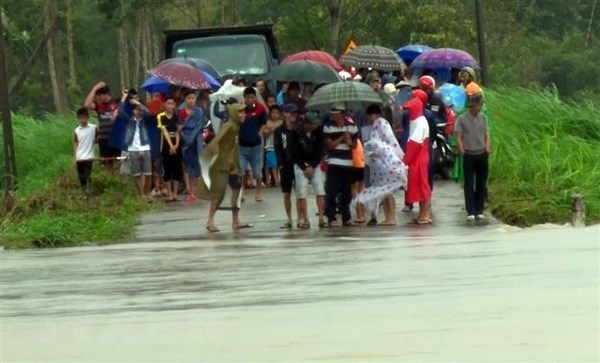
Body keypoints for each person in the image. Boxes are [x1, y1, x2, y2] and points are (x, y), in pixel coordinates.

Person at [198, 104, 251, 232]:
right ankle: (210, 220)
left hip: (233, 165)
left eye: (244, 112)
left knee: (236, 191)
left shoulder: (236, 127)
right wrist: (212, 158)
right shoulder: (228, 127)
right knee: (218, 194)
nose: (243, 115)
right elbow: (216, 142)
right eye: (240, 112)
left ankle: (236, 221)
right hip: (222, 165)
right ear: (233, 113)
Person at [350, 139, 407, 225]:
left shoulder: (385, 150)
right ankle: (388, 218)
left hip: (387, 173)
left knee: (388, 194)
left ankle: (391, 218)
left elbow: (392, 161)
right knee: (383, 194)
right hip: (380, 174)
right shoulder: (375, 152)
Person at [365, 103, 404, 225]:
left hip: (386, 161)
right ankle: (388, 217)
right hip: (380, 162)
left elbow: (389, 142)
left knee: (388, 191)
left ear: (372, 115)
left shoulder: (381, 124)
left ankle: (391, 217)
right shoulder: (378, 125)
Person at [455, 94, 491, 221]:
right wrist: (462, 151)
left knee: (481, 183)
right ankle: (471, 210)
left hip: (482, 153)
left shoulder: (483, 118)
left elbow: (487, 134)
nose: (481, 106)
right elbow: (458, 137)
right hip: (469, 154)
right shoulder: (462, 119)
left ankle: (479, 209)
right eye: (479, 104)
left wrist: (487, 147)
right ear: (473, 105)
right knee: (469, 183)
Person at [323, 103, 359, 227]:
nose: (336, 117)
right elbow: (329, 145)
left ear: (343, 114)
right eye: (334, 115)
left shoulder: (352, 126)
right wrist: (342, 138)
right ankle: (331, 216)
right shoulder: (328, 127)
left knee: (346, 191)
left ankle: (347, 217)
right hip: (333, 162)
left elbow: (354, 145)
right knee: (332, 190)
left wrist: (349, 141)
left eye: (338, 115)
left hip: (347, 163)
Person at [290, 111, 326, 229]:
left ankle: (321, 218)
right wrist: (304, 167)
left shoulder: (319, 132)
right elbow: (294, 152)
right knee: (301, 193)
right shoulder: (296, 133)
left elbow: (320, 150)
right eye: (313, 124)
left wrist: (312, 165)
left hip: (314, 163)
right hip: (301, 164)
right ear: (307, 124)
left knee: (320, 190)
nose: (316, 126)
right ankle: (305, 218)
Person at [403, 96, 432, 224]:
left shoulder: (420, 122)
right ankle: (422, 214)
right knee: (419, 186)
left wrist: (406, 161)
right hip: (417, 157)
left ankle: (425, 215)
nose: (409, 112)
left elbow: (415, 143)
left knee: (422, 187)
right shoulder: (417, 121)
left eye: (410, 109)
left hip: (419, 158)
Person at [118, 92, 154, 197]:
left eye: (139, 109)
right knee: (137, 174)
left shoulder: (145, 119)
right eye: (135, 109)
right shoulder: (129, 120)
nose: (138, 111)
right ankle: (141, 194)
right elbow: (120, 111)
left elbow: (148, 112)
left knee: (148, 174)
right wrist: (124, 98)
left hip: (145, 147)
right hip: (133, 149)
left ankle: (147, 194)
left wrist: (138, 103)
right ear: (133, 111)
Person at [239, 86, 268, 202]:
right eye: (248, 97)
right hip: (242, 146)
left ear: (255, 97)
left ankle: (258, 192)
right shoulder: (240, 109)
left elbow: (264, 123)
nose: (250, 100)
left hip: (256, 146)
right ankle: (241, 192)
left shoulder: (260, 109)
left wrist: (259, 133)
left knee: (257, 172)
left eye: (252, 97)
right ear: (244, 98)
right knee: (241, 171)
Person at [274, 103, 299, 229]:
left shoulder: (299, 128)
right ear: (285, 114)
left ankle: (300, 217)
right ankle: (289, 218)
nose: (293, 115)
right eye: (290, 113)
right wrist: (280, 164)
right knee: (286, 193)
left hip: (298, 163)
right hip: (286, 164)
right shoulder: (279, 130)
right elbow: (277, 147)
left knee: (300, 192)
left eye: (294, 113)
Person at [83, 81, 119, 169]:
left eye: (100, 95)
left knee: (117, 163)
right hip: (103, 138)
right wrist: (94, 89)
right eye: (97, 95)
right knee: (106, 164)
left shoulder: (117, 102)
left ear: (106, 94)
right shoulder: (99, 105)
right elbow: (87, 105)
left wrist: (118, 110)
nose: (98, 98)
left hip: (116, 138)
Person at [179, 89, 206, 202]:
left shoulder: (199, 111)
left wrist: (187, 130)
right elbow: (179, 127)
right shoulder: (181, 112)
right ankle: (191, 192)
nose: (191, 100)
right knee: (189, 168)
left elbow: (199, 126)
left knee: (199, 166)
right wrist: (184, 135)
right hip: (186, 142)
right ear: (185, 99)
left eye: (193, 98)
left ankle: (200, 191)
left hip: (197, 141)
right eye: (188, 98)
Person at [157, 96, 183, 202]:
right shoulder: (160, 116)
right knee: (167, 170)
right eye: (168, 103)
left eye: (172, 104)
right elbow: (165, 132)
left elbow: (177, 132)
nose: (170, 106)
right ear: (164, 105)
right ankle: (169, 193)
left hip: (177, 146)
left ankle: (175, 193)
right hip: (165, 146)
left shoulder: (177, 116)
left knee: (177, 169)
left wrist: (176, 145)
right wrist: (171, 146)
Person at [73, 108, 98, 189]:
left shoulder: (93, 128)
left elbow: (97, 140)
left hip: (89, 156)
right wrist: (75, 157)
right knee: (81, 177)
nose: (82, 120)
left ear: (88, 118)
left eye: (84, 117)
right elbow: (76, 144)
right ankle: (84, 192)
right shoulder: (77, 130)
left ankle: (91, 189)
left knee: (88, 175)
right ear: (77, 119)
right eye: (80, 118)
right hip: (80, 157)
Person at [260, 105, 283, 187]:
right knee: (272, 164)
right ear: (270, 113)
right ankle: (275, 180)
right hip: (269, 146)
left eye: (277, 113)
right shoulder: (267, 123)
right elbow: (265, 134)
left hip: (279, 147)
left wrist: (271, 129)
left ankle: (271, 180)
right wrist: (269, 130)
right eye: (273, 113)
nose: (275, 114)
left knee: (275, 164)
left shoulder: (281, 123)